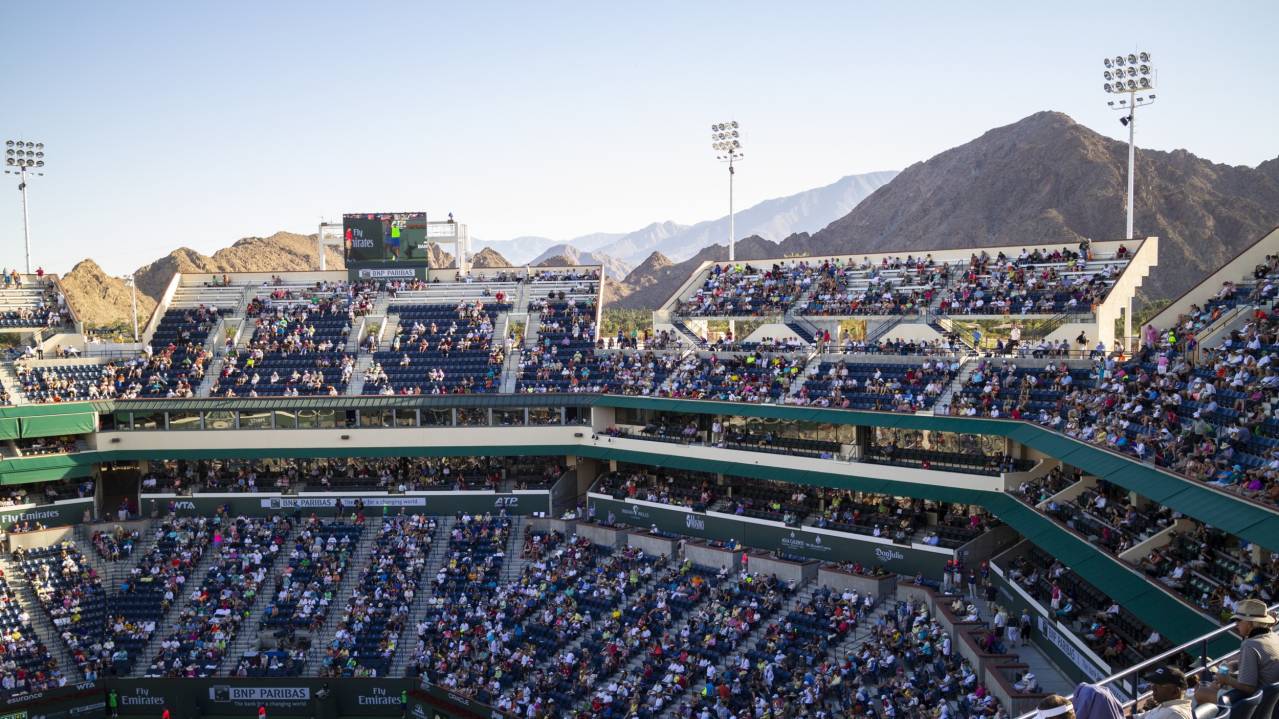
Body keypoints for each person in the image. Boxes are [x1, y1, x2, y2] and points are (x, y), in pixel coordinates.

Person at [1207, 598, 1279, 700]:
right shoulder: (1273, 636)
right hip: (1272, 699)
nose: (1236, 624)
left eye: (1238, 620)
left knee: (1201, 693)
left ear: (1249, 623)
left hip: (1260, 702)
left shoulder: (1250, 645)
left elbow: (1249, 688)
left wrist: (1226, 679)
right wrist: (1235, 665)